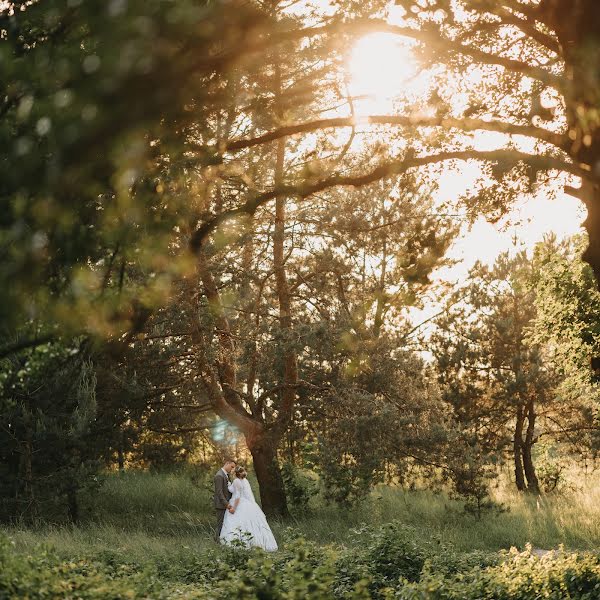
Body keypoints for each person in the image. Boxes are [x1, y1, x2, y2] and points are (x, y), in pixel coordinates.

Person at [219, 465, 278, 552]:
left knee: (237, 523)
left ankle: (238, 545)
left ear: (235, 473)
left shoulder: (236, 481)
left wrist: (234, 508)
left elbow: (238, 497)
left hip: (238, 504)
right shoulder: (244, 480)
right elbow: (233, 490)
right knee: (249, 524)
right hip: (247, 504)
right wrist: (229, 485)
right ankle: (255, 544)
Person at [214, 459, 236, 541]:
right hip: (221, 505)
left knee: (224, 524)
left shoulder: (226, 475)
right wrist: (227, 504)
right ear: (227, 463)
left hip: (225, 504)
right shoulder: (219, 475)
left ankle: (222, 541)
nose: (232, 469)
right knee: (220, 525)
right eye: (232, 466)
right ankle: (216, 542)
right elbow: (219, 492)